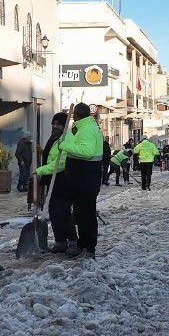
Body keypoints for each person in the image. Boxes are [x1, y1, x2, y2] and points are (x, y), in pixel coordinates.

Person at [55, 103, 104, 258]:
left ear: (75, 115)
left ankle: (89, 248)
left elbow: (87, 151)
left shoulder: (87, 129)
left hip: (86, 181)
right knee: (81, 214)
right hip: (82, 181)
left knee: (86, 215)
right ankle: (83, 245)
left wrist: (65, 145)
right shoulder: (85, 127)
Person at [34, 113, 71, 253]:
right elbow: (51, 155)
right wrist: (41, 152)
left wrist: (40, 171)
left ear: (64, 125)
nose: (55, 126)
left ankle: (71, 240)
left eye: (58, 124)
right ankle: (60, 241)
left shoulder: (67, 139)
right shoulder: (54, 137)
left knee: (62, 211)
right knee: (54, 211)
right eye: (53, 123)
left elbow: (60, 163)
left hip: (63, 180)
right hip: (53, 179)